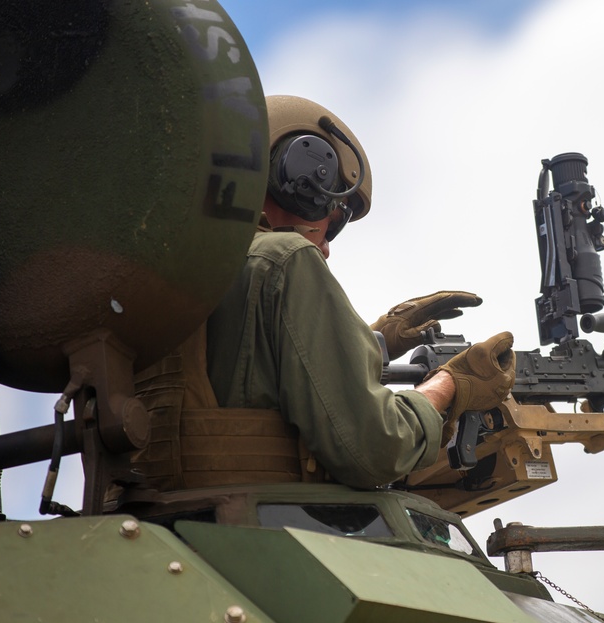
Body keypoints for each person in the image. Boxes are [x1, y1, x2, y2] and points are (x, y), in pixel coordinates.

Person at [205, 95, 514, 489]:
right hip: (261, 518)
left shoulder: (199, 262)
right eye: (333, 223)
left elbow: (242, 367)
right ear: (300, 180)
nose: (328, 247)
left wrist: (376, 340)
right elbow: (377, 447)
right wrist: (453, 384)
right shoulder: (284, 259)